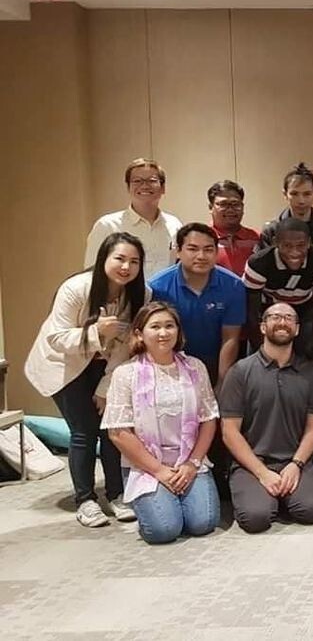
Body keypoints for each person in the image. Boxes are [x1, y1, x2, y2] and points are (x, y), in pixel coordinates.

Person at [26, 233, 147, 527]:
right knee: (84, 430)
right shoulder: (76, 288)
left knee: (112, 427)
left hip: (105, 365)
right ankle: (86, 500)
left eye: (134, 261)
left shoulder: (141, 293)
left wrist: (106, 388)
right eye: (119, 258)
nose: (126, 267)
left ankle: (117, 495)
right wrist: (97, 333)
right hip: (63, 365)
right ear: (103, 258)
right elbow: (56, 337)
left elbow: (126, 346)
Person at [102, 302, 220, 544]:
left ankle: (174, 499)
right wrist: (159, 471)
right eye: (155, 327)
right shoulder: (126, 374)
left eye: (169, 326)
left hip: (189, 460)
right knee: (164, 530)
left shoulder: (196, 367)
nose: (163, 333)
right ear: (139, 334)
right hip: (146, 465)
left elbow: (208, 420)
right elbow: (118, 432)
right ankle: (155, 504)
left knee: (203, 524)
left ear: (178, 331)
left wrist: (192, 463)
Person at [218, 303, 313, 533]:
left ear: (297, 329)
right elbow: (229, 432)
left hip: (296, 461)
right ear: (262, 327)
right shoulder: (240, 372)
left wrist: (296, 465)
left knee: (311, 511)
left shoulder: (312, 370)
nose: (282, 322)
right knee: (256, 519)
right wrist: (262, 473)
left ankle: (285, 496)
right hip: (252, 464)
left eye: (289, 318)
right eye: (275, 317)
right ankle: (267, 497)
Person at [149, 224, 245, 385]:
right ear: (178, 250)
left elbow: (230, 338)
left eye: (208, 249)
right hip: (170, 359)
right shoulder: (157, 287)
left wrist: (222, 383)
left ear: (216, 252)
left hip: (216, 359)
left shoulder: (233, 285)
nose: (201, 256)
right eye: (193, 249)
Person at [243, 218, 313, 364]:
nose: (295, 252)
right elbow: (251, 312)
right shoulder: (258, 263)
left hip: (306, 312)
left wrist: (312, 345)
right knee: (260, 363)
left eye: (301, 245)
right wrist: (260, 346)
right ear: (275, 242)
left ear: (309, 242)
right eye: (287, 246)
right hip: (268, 310)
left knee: (307, 361)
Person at [84, 158, 181, 277]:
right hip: (124, 295)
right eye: (137, 181)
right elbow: (92, 272)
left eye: (152, 180)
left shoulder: (174, 224)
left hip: (165, 295)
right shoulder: (107, 225)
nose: (145, 186)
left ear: (163, 188)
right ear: (128, 187)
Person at [258, 163, 313, 274]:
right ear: (285, 195)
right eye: (294, 194)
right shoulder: (271, 230)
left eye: (307, 194)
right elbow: (265, 269)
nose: (301, 200)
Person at [207, 179, 260, 277]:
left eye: (235, 204)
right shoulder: (202, 239)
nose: (230, 209)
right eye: (223, 204)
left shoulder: (257, 238)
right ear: (211, 207)